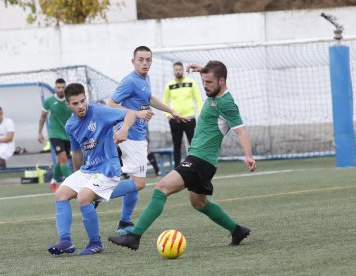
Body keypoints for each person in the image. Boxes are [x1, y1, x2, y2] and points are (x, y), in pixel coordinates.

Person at [108, 61, 257, 250]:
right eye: (203, 81)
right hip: (201, 161)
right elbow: (213, 73)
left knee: (161, 188)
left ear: (221, 81)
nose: (205, 85)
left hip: (200, 161)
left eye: (209, 82)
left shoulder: (227, 104)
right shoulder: (215, 93)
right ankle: (237, 230)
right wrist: (202, 69)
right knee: (199, 203)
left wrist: (248, 156)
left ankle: (134, 236)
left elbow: (241, 131)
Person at [47, 83, 137, 256]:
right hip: (89, 170)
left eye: (82, 101)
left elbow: (130, 113)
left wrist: (124, 129)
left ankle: (95, 243)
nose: (81, 106)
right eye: (75, 103)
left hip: (107, 169)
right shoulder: (70, 126)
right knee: (60, 194)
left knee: (83, 198)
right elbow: (77, 152)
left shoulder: (99, 112)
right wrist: (76, 175)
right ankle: (65, 241)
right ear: (68, 104)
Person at [107, 46, 186, 234]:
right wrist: (137, 114)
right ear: (133, 61)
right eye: (140, 59)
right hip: (130, 135)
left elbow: (148, 98)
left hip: (139, 136)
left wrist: (171, 110)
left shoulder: (145, 78)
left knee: (135, 182)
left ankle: (125, 222)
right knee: (139, 183)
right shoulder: (130, 81)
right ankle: (97, 195)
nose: (144, 63)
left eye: (148, 60)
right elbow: (111, 104)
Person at [163, 61, 203, 168]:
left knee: (193, 144)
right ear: (173, 71)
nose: (178, 71)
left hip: (189, 118)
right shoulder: (169, 85)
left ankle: (196, 165)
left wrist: (201, 114)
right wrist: (168, 115)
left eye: (180, 69)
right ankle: (177, 167)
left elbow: (198, 99)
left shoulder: (191, 83)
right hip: (175, 120)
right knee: (177, 145)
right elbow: (164, 102)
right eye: (176, 70)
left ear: (183, 70)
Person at [38, 78, 73, 192]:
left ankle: (53, 181)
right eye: (58, 87)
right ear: (55, 88)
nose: (61, 89)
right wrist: (39, 132)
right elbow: (43, 116)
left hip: (67, 135)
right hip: (55, 134)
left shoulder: (70, 101)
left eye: (63, 87)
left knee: (61, 160)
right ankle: (71, 183)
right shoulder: (49, 101)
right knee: (63, 158)